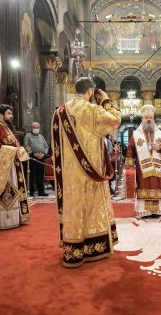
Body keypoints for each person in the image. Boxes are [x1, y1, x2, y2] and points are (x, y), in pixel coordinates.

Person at [51, 77, 121, 268]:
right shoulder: (92, 110)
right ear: (90, 91)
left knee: (74, 208)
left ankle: (73, 249)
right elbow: (115, 119)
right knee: (91, 207)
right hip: (91, 170)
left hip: (69, 173)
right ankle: (92, 247)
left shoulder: (60, 112)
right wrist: (106, 100)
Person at [125, 104, 161, 218]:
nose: (149, 120)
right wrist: (129, 164)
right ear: (142, 119)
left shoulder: (160, 134)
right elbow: (130, 149)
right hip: (143, 169)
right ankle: (143, 211)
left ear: (154, 118)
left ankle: (156, 211)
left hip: (157, 168)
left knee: (156, 186)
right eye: (146, 117)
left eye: (151, 117)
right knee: (143, 186)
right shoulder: (136, 135)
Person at [23, 122, 49, 196]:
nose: (36, 129)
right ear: (31, 128)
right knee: (31, 175)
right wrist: (33, 154)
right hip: (32, 158)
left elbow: (46, 146)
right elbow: (26, 145)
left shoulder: (41, 136)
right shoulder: (28, 136)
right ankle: (31, 191)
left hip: (41, 158)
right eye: (34, 127)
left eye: (38, 128)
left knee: (40, 175)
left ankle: (41, 191)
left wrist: (43, 154)